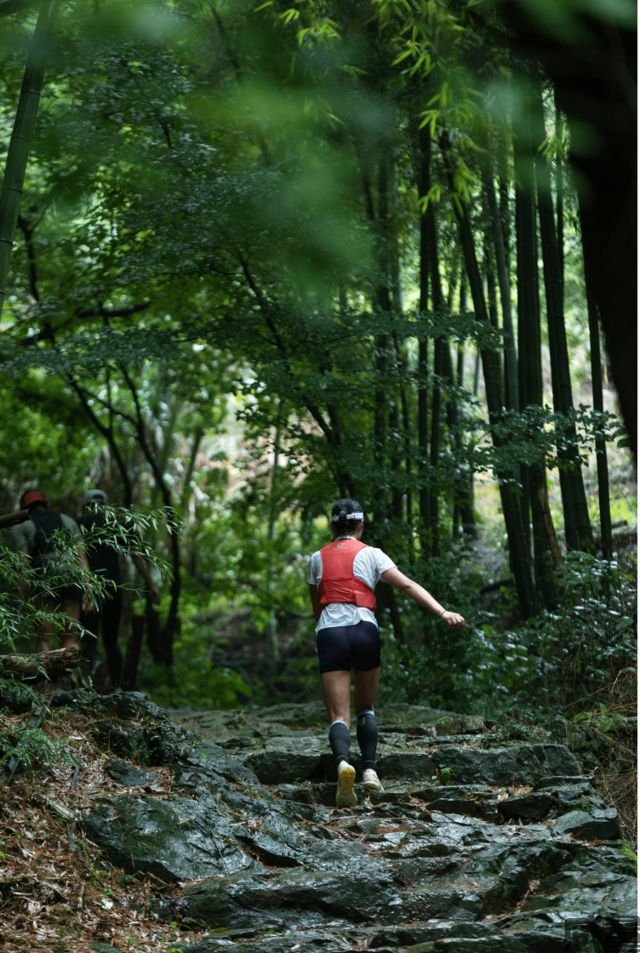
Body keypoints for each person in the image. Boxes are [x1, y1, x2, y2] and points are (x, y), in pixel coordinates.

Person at [308, 498, 465, 808]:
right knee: (365, 706)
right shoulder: (372, 554)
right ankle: (370, 770)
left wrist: (327, 633)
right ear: (360, 525)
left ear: (331, 526)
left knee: (339, 714)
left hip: (330, 632)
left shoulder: (316, 558)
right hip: (364, 629)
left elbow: (317, 604)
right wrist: (442, 611)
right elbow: (406, 585)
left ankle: (342, 764)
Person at [78, 489, 161, 689]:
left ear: (86, 504)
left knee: (88, 638)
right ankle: (117, 685)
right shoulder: (119, 524)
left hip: (89, 589)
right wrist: (151, 585)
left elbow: (76, 556)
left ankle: (95, 667)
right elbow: (136, 556)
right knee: (111, 640)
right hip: (114, 587)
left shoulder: (77, 523)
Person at [12, 489, 90, 653]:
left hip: (44, 579)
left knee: (43, 642)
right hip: (72, 578)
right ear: (44, 504)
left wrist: (19, 600)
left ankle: (46, 678)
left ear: (24, 508)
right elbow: (81, 556)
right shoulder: (67, 520)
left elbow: (23, 563)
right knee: (69, 640)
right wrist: (89, 588)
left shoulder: (22, 525)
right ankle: (71, 675)